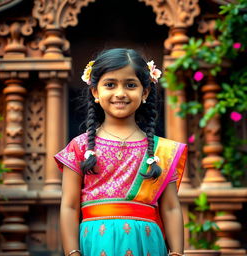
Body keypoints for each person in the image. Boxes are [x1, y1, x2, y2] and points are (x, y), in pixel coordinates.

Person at [54, 48, 188, 256]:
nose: (120, 93)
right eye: (110, 84)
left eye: (130, 85)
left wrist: (177, 253)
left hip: (147, 243)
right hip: (96, 243)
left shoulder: (162, 150)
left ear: (145, 92)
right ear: (95, 91)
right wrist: (73, 253)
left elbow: (170, 207)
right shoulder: (79, 147)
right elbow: (69, 207)